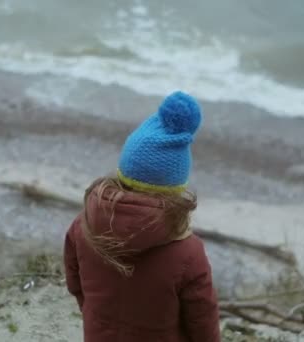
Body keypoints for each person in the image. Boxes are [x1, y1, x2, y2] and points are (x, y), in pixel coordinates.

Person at [64, 91, 220, 342]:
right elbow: (203, 321)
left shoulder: (83, 226)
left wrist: (98, 319)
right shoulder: (188, 253)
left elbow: (76, 286)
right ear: (176, 189)